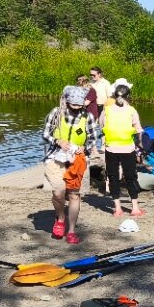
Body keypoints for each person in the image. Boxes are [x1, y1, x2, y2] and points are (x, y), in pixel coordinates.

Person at [42, 85, 102, 244]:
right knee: (58, 192)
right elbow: (45, 134)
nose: (76, 108)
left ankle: (71, 231)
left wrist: (86, 147)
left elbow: (93, 138)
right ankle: (60, 217)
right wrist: (58, 141)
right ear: (67, 101)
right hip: (56, 157)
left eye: (79, 105)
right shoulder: (56, 113)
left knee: (74, 195)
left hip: (77, 160)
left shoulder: (87, 116)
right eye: (73, 105)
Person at [100, 82, 145, 217]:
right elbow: (138, 131)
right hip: (125, 149)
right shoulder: (131, 110)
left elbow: (101, 126)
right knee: (130, 177)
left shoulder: (106, 110)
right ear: (128, 96)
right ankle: (134, 208)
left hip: (113, 148)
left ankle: (118, 208)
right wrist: (140, 147)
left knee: (113, 177)